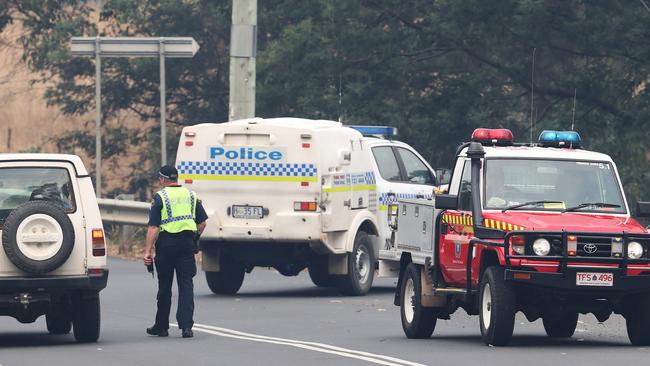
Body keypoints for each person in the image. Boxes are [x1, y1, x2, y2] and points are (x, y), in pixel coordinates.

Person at [144, 165, 208, 338]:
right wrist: (194, 237)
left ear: (164, 179)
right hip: (186, 244)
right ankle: (186, 327)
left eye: (160, 178)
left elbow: (153, 227)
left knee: (164, 286)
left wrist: (147, 251)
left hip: (166, 245)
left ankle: (162, 326)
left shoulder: (160, 197)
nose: (159, 181)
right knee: (186, 285)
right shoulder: (191, 195)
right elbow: (202, 223)